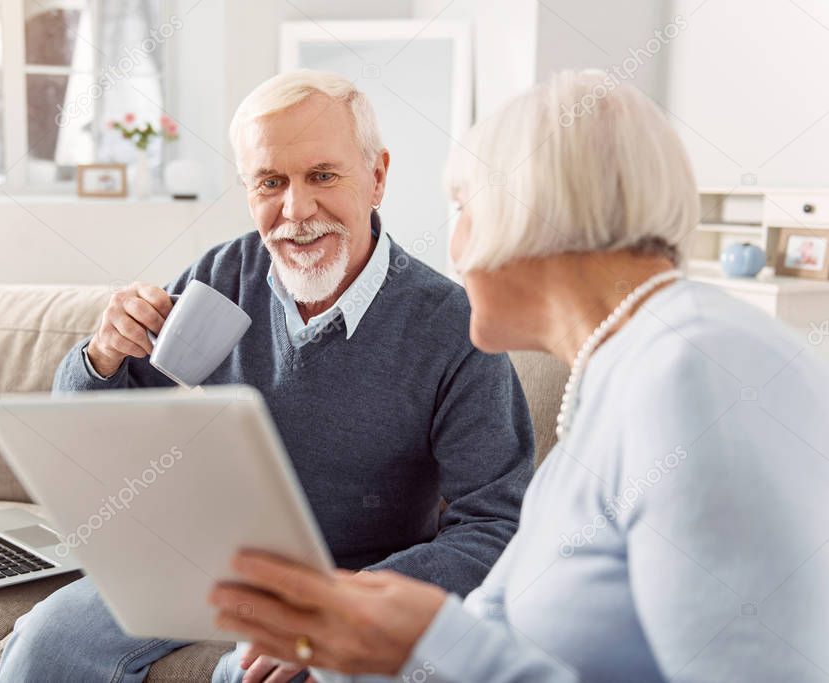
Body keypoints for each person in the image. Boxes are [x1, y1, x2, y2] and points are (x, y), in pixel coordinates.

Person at [209, 70, 829, 682]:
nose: (453, 245)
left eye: (463, 206)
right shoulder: (614, 380)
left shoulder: (696, 368)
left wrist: (424, 640)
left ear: (537, 213)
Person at [0, 70, 535, 683]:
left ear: (377, 176)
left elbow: (498, 523)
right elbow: (99, 427)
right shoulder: (223, 274)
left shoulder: (452, 326)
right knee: (42, 648)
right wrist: (101, 357)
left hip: (341, 586)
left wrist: (357, 603)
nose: (296, 211)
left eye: (323, 176)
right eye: (271, 182)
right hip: (196, 563)